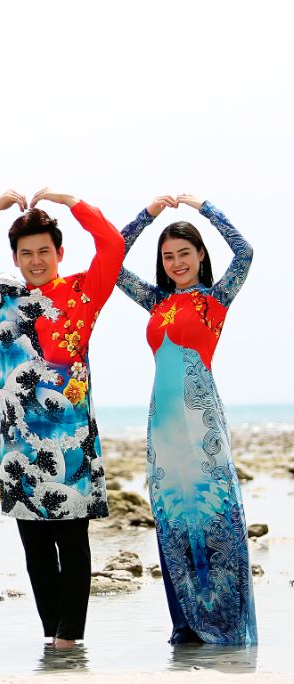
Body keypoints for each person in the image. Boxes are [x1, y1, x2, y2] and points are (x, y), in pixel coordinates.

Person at [0, 188, 124, 648]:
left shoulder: (83, 292)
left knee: (73, 544)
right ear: (15, 257)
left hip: (72, 442)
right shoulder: (3, 296)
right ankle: (53, 639)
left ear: (59, 253)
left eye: (44, 251)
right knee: (35, 549)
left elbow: (113, 245)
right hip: (19, 443)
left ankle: (71, 638)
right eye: (26, 253)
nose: (35, 260)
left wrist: (72, 203)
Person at [116, 194, 256, 644]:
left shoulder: (216, 299)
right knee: (173, 518)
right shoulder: (156, 302)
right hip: (163, 428)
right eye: (168, 256)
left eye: (184, 253)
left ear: (200, 255)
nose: (176, 263)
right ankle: (188, 624)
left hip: (202, 425)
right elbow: (113, 261)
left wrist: (205, 208)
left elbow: (245, 251)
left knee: (214, 516)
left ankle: (225, 624)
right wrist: (147, 216)